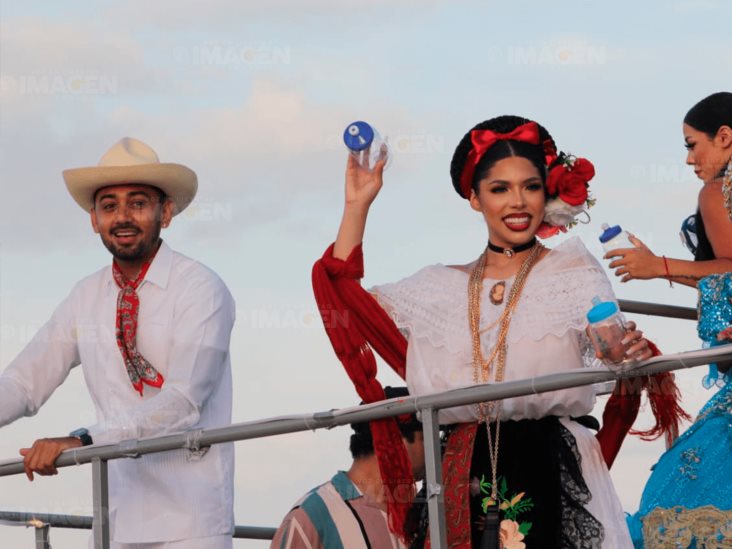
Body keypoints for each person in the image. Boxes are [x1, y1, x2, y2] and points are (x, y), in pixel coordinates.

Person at [312, 115, 687, 548]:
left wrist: (625, 352)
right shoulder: (437, 287)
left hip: (553, 462)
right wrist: (357, 206)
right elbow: (343, 299)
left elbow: (609, 344)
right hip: (460, 470)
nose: (518, 202)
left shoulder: (571, 270)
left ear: (547, 192)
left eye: (530, 186)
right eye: (499, 189)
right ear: (474, 199)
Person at [0, 138, 236, 549]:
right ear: (94, 219)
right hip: (117, 514)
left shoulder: (201, 287)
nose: (122, 217)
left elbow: (183, 401)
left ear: (166, 212)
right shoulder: (85, 295)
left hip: (192, 518)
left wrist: (84, 441)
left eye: (138, 203)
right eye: (109, 206)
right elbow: (23, 383)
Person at [627, 271, 732, 547]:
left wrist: (656, 266)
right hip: (722, 427)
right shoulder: (722, 285)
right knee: (674, 506)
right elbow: (722, 360)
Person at [270, 386, 425, 549]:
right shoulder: (312, 516)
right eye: (424, 438)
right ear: (396, 441)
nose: (434, 448)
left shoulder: (419, 514)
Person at [606, 92, 732, 287]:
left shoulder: (716, 191)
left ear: (723, 137)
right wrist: (656, 265)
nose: (689, 160)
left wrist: (658, 265)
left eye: (692, 145)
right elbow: (716, 285)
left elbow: (729, 275)